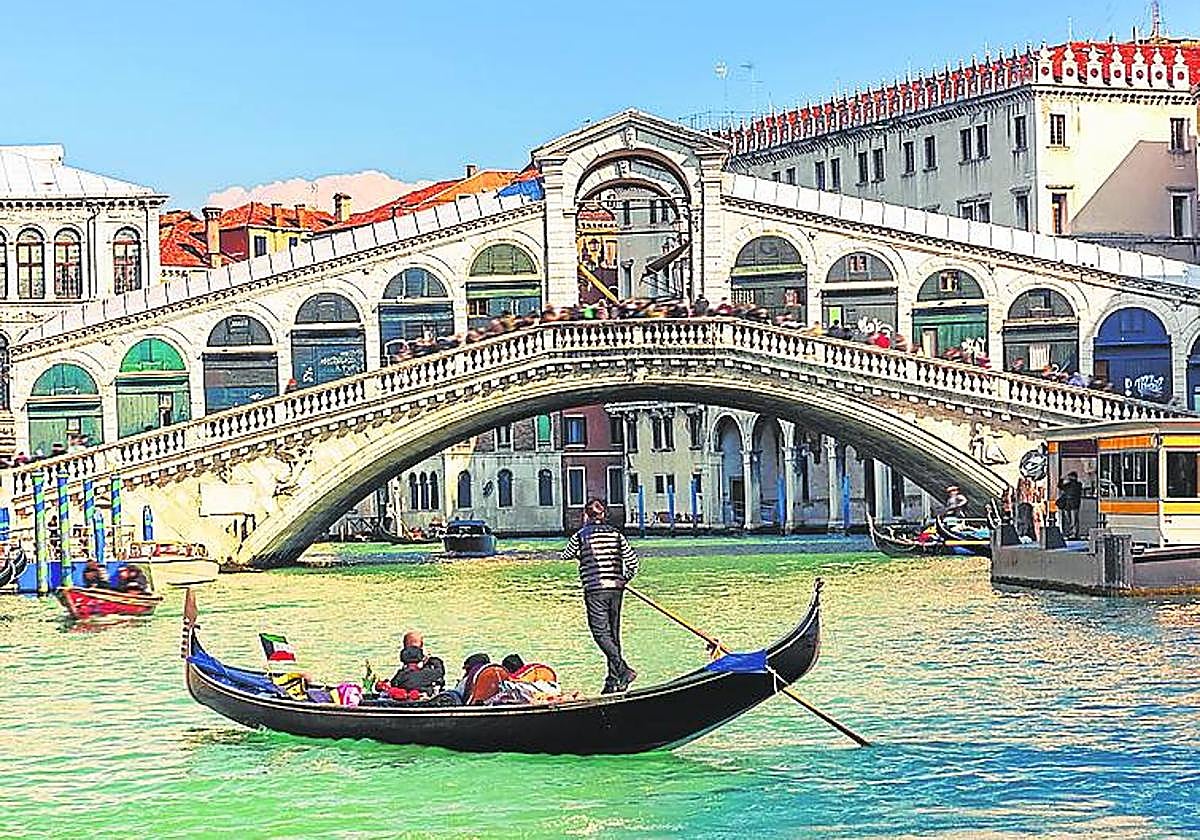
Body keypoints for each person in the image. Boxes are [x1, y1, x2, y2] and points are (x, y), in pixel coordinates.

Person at [560, 498, 639, 694]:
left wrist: (581, 555)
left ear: (586, 515)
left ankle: (623, 670)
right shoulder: (616, 535)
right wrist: (624, 579)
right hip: (616, 589)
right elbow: (633, 562)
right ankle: (612, 682)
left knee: (601, 634)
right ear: (603, 515)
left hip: (595, 590)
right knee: (613, 635)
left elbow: (565, 555)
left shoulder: (581, 535)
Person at [1057, 471, 1083, 539]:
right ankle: (1070, 532)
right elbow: (1060, 486)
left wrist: (1065, 479)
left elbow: (1062, 486)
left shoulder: (1077, 484)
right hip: (1068, 504)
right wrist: (1062, 479)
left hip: (1073, 504)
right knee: (1069, 519)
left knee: (1074, 520)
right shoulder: (1068, 485)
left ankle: (1074, 533)